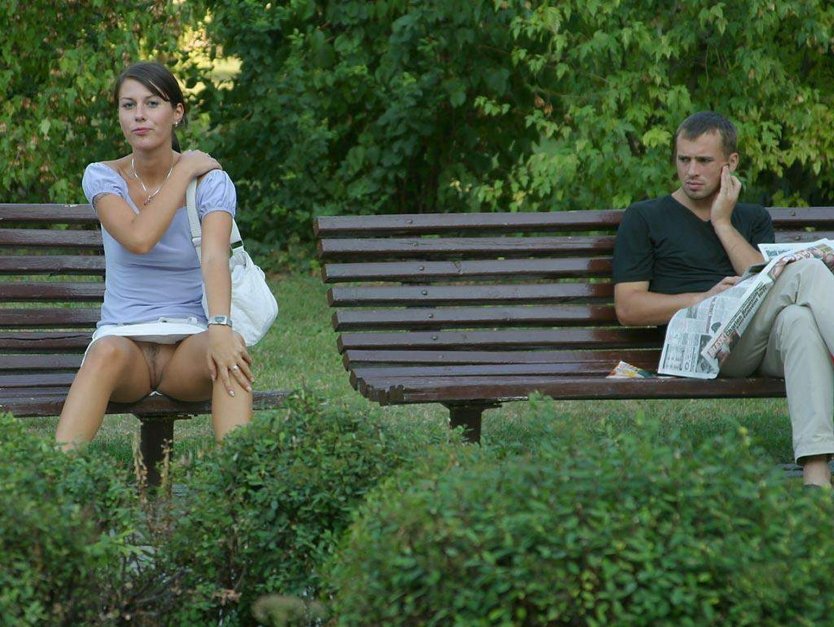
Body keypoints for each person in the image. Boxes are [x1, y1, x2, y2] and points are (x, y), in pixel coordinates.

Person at [613, 111, 834, 488]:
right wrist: (703, 298)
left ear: (730, 163)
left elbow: (763, 282)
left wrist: (722, 222)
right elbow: (628, 307)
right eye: (683, 159)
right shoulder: (644, 217)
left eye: (704, 160)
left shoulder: (751, 217)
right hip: (701, 346)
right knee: (808, 271)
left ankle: (816, 475)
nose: (691, 171)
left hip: (754, 342)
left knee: (798, 319)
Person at [56, 61, 253, 449]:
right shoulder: (103, 176)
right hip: (123, 344)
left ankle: (241, 475)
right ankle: (52, 480)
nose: (139, 115)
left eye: (152, 103)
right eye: (128, 105)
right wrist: (183, 171)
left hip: (187, 345)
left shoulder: (211, 182)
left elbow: (215, 257)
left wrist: (220, 327)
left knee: (232, 356)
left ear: (177, 112)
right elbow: (138, 238)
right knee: (103, 353)